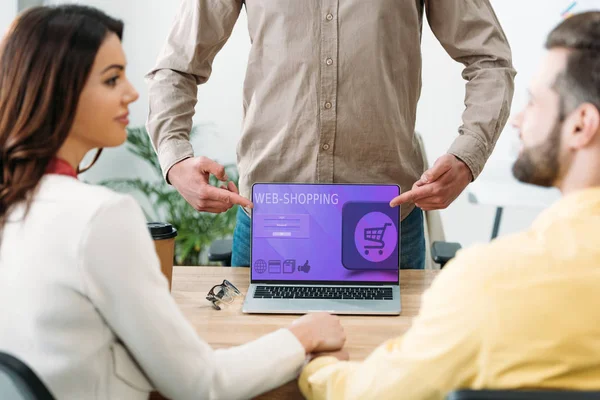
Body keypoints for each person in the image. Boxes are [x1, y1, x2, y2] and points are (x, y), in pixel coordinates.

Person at [0, 6, 345, 400]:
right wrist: (304, 334)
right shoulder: (100, 218)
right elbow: (201, 385)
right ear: (57, 90)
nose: (132, 93)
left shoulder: (17, 206)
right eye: (112, 79)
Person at [299, 11, 600, 400]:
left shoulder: (491, 284)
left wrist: (315, 364)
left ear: (580, 125)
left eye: (534, 101)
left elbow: (373, 394)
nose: (518, 120)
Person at [146, 0, 516, 269]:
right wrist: (175, 157)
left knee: (385, 372)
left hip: (385, 225)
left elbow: (490, 61)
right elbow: (176, 67)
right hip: (272, 221)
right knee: (264, 371)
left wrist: (468, 155)